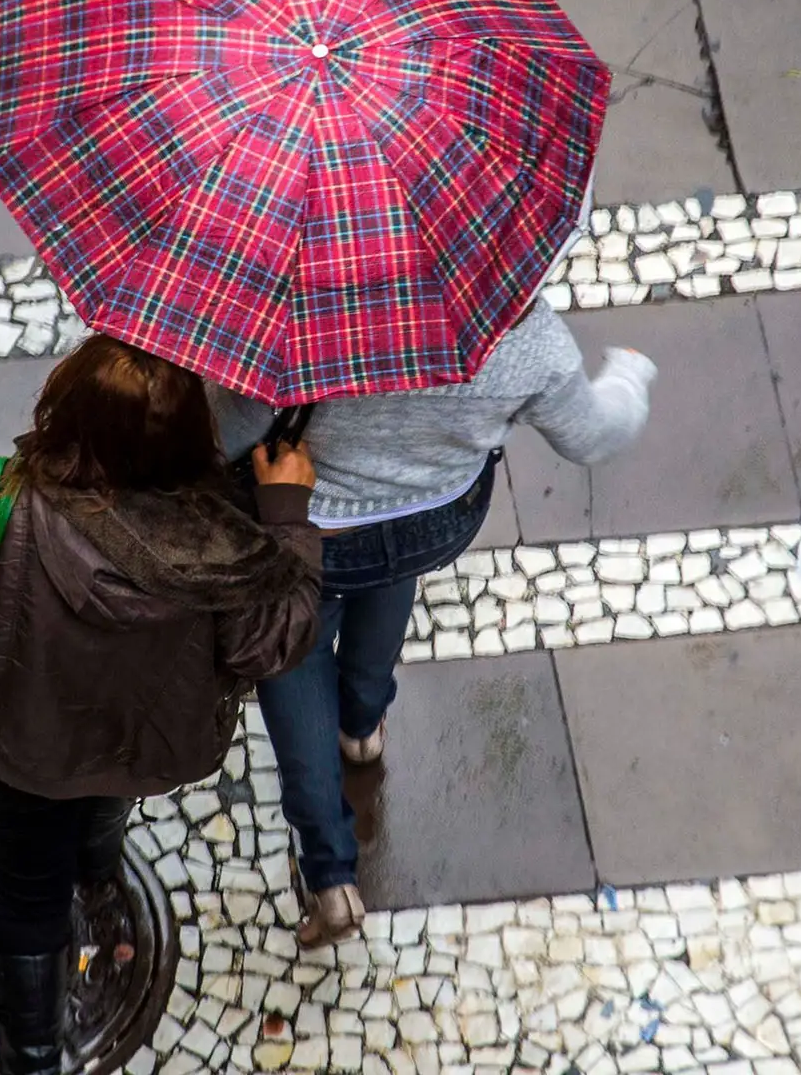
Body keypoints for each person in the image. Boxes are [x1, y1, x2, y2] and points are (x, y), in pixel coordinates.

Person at [0, 334, 322, 1075]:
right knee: (104, 810)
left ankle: (33, 1053)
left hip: (6, 752)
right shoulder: (226, 545)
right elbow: (271, 646)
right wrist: (289, 518)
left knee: (26, 886)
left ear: (62, 409)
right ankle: (100, 868)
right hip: (138, 748)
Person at [212, 295, 658, 947]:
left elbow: (227, 432)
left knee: (295, 654)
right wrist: (629, 373)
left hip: (310, 523)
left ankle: (332, 877)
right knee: (390, 583)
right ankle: (362, 728)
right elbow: (594, 436)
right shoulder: (517, 329)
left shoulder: (297, 310)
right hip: (433, 517)